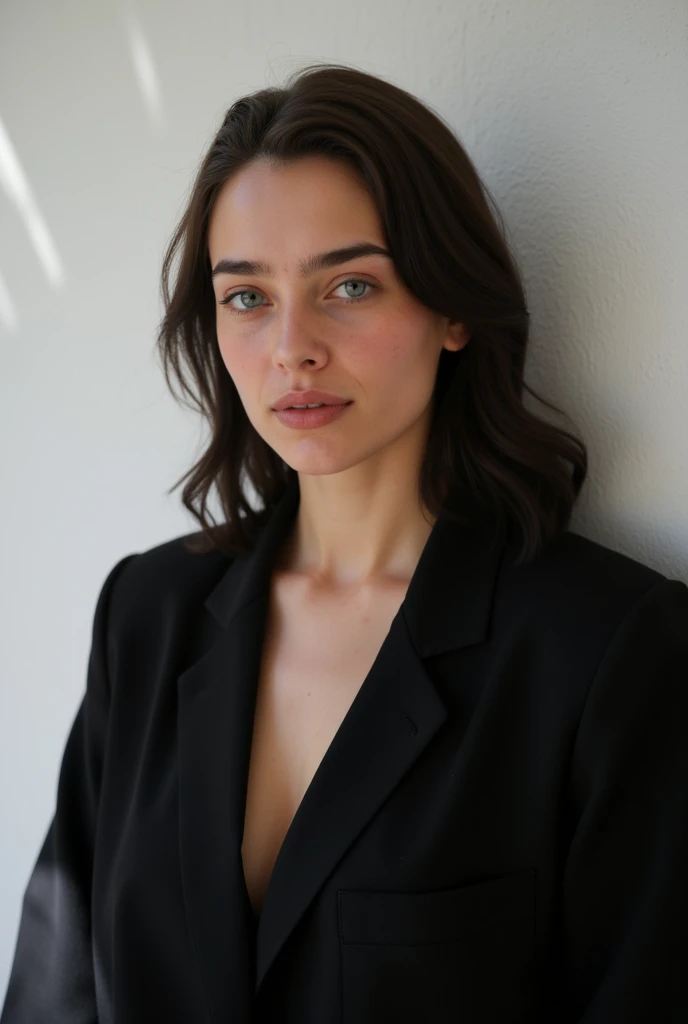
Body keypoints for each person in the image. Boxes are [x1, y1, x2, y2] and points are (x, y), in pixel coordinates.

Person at [2, 61, 687, 1024]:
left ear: (454, 309)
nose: (292, 348)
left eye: (351, 285)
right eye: (247, 296)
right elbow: (54, 992)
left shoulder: (608, 651)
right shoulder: (146, 617)